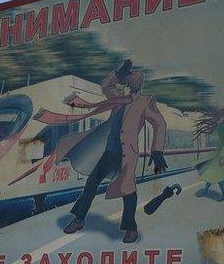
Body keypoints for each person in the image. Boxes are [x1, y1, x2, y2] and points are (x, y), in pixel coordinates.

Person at [62, 60, 167, 243]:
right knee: (92, 182)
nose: (130, 81)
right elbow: (106, 85)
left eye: (133, 78)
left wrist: (157, 151)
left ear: (139, 83)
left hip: (126, 154)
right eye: (128, 78)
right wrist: (117, 72)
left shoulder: (145, 101)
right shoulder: (118, 99)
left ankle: (130, 229)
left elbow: (160, 123)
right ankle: (79, 219)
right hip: (110, 151)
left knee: (128, 189)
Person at [193, 107, 224, 201]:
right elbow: (215, 134)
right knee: (211, 171)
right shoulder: (221, 125)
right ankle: (206, 190)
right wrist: (216, 124)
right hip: (218, 152)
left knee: (218, 174)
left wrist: (221, 156)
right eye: (223, 116)